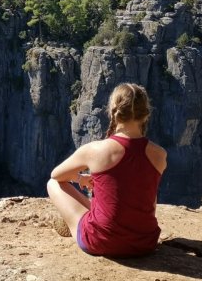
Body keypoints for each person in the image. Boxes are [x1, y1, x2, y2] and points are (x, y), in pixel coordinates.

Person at [46, 82, 167, 257]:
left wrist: (80, 179)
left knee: (52, 184)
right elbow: (149, 199)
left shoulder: (96, 149)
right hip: (144, 243)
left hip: (101, 242)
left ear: (113, 110)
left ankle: (74, 224)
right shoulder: (159, 154)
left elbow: (57, 175)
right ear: (145, 114)